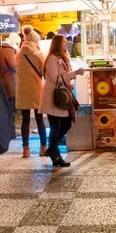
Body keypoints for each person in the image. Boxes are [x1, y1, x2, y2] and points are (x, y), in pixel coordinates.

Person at [40, 34, 76, 169]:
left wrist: (70, 81)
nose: (66, 44)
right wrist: (74, 74)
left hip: (62, 97)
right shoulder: (51, 59)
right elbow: (56, 78)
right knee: (55, 126)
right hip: (53, 97)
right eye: (64, 42)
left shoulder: (63, 58)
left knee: (66, 123)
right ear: (57, 44)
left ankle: (52, 148)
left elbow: (64, 77)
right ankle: (56, 156)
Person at [16, 24, 47, 158]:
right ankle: (43, 147)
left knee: (25, 120)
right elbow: (44, 72)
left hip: (22, 89)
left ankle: (25, 149)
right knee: (40, 119)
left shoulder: (18, 54)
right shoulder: (38, 54)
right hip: (36, 88)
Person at [0, 33, 19, 117]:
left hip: (4, 80)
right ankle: (11, 127)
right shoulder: (9, 51)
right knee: (11, 108)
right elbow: (14, 66)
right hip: (10, 81)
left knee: (7, 105)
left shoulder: (2, 50)